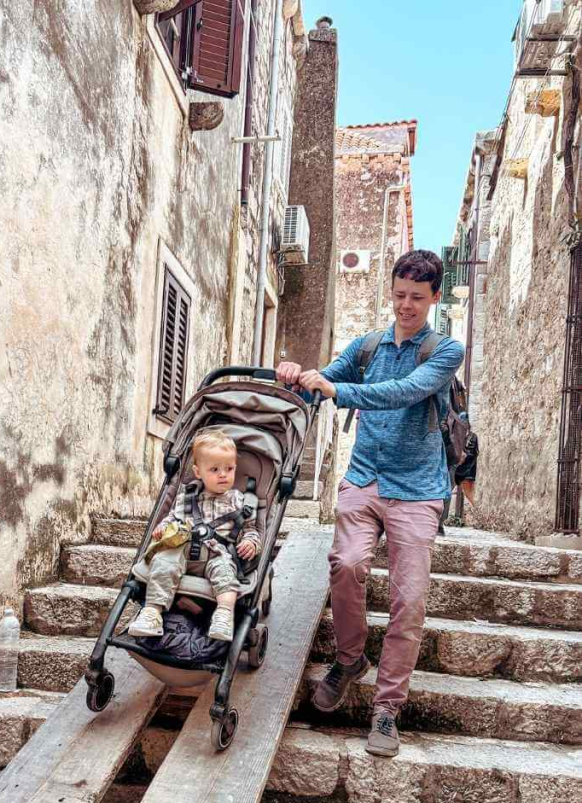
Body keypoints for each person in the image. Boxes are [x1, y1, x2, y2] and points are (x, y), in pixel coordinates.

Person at [277, 250, 465, 757]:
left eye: (417, 298)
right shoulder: (367, 346)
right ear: (392, 289)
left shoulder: (445, 351)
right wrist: (298, 375)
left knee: (409, 599)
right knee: (346, 563)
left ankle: (387, 709)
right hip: (364, 478)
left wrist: (339, 389)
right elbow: (324, 382)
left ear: (434, 297)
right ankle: (349, 658)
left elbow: (405, 391)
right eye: (400, 294)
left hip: (419, 489)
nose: (406, 305)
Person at [128, 429, 261, 643]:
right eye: (215, 469)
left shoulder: (240, 501)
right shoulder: (188, 497)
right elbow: (172, 519)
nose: (223, 474)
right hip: (183, 552)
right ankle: (152, 613)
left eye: (229, 469)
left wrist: (250, 542)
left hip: (217, 554)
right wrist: (162, 528)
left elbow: (250, 530)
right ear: (198, 472)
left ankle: (224, 615)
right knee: (164, 560)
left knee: (226, 573)